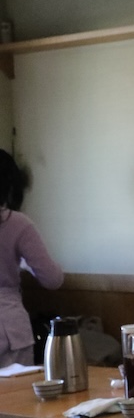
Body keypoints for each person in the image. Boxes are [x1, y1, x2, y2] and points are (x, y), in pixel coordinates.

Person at [0, 149, 63, 367]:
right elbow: (52, 279)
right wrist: (25, 263)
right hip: (8, 328)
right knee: (16, 388)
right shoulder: (16, 223)